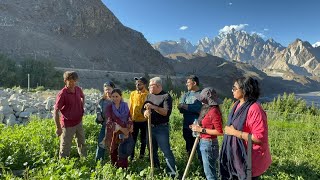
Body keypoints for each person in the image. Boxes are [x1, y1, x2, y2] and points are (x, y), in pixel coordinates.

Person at [220, 77, 272, 180]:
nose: (232, 90)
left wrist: (234, 132)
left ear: (244, 90)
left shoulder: (255, 109)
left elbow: (259, 138)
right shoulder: (237, 104)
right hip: (236, 156)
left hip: (249, 159)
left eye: (234, 88)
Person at [142, 77, 177, 177]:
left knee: (166, 151)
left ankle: (171, 174)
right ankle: (156, 169)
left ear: (158, 86)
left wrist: (154, 107)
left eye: (150, 85)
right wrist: (145, 113)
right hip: (150, 127)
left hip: (161, 128)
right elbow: (142, 109)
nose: (148, 87)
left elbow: (166, 112)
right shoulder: (149, 96)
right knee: (152, 150)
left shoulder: (166, 96)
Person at [190, 87, 224, 180]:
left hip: (209, 144)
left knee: (210, 174)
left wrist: (201, 130)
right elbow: (206, 125)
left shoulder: (214, 111)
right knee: (209, 172)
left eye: (203, 99)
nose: (201, 101)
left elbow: (219, 131)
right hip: (205, 142)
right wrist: (196, 127)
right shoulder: (206, 109)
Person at [53, 71, 86, 158]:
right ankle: (63, 165)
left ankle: (85, 161)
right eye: (71, 81)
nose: (73, 83)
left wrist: (81, 109)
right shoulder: (62, 94)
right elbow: (56, 111)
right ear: (65, 80)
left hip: (78, 122)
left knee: (82, 143)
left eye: (75, 81)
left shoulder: (78, 89)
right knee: (65, 147)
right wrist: (58, 128)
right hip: (67, 125)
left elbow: (83, 97)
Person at [103, 88, 134, 169]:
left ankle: (123, 168)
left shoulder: (125, 105)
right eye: (113, 97)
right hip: (114, 133)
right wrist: (120, 128)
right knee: (114, 151)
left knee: (124, 150)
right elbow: (109, 121)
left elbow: (129, 117)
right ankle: (115, 169)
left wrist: (130, 126)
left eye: (117, 96)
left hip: (125, 133)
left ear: (121, 96)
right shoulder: (109, 107)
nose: (115, 98)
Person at [178, 75, 202, 156]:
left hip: (198, 126)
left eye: (188, 82)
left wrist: (186, 106)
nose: (186, 84)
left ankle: (201, 166)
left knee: (199, 148)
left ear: (194, 83)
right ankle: (190, 166)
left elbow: (200, 109)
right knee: (188, 147)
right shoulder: (186, 95)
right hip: (186, 125)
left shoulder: (201, 95)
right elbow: (180, 108)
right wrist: (186, 107)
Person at [95, 81, 115, 161]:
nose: (107, 91)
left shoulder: (116, 99)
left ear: (113, 89)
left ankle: (114, 162)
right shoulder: (102, 101)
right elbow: (98, 109)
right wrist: (99, 115)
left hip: (115, 126)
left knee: (115, 144)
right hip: (105, 125)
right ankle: (99, 161)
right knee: (101, 143)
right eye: (106, 89)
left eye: (109, 89)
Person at [129, 77, 149, 160]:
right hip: (134, 120)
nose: (137, 85)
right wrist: (129, 118)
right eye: (136, 83)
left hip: (144, 121)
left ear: (144, 84)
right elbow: (130, 106)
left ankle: (141, 156)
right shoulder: (133, 93)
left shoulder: (148, 94)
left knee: (143, 140)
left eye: (139, 83)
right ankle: (131, 156)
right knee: (132, 139)